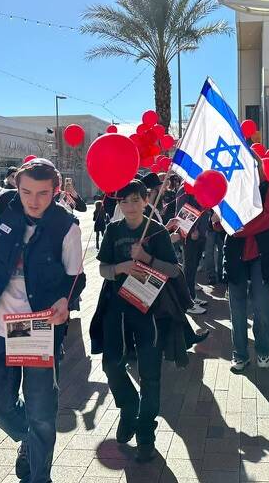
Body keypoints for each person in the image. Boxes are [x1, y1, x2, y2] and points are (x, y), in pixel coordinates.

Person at [0, 159, 84, 483]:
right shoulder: (5, 203)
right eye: (26, 191)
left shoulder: (66, 226)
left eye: (43, 193)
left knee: (42, 413)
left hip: (35, 327)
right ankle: (28, 440)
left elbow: (76, 278)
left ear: (56, 191)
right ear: (16, 187)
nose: (33, 201)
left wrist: (65, 300)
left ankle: (39, 475)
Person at [92, 179, 183, 463]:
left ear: (146, 200)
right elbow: (103, 268)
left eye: (135, 200)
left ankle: (146, 432)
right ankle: (129, 405)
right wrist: (120, 267)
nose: (129, 206)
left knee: (150, 374)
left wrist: (146, 258)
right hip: (117, 308)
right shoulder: (113, 229)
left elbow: (175, 271)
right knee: (111, 363)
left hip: (149, 309)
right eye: (124, 201)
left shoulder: (156, 231)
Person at [225, 158, 269, 373]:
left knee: (262, 307)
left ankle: (263, 350)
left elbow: (268, 219)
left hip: (261, 256)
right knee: (237, 309)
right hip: (234, 255)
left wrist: (237, 228)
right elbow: (218, 221)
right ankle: (239, 354)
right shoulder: (229, 190)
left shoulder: (267, 188)